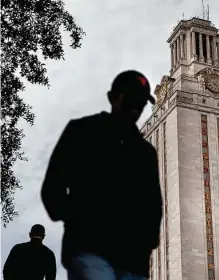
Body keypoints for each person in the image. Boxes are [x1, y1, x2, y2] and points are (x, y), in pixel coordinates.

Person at [41, 70, 163, 280]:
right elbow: (53, 185)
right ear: (113, 97)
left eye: (142, 101)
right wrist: (77, 216)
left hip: (134, 262)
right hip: (89, 250)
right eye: (131, 98)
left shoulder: (145, 152)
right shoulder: (82, 130)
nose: (137, 106)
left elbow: (153, 204)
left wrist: (147, 243)